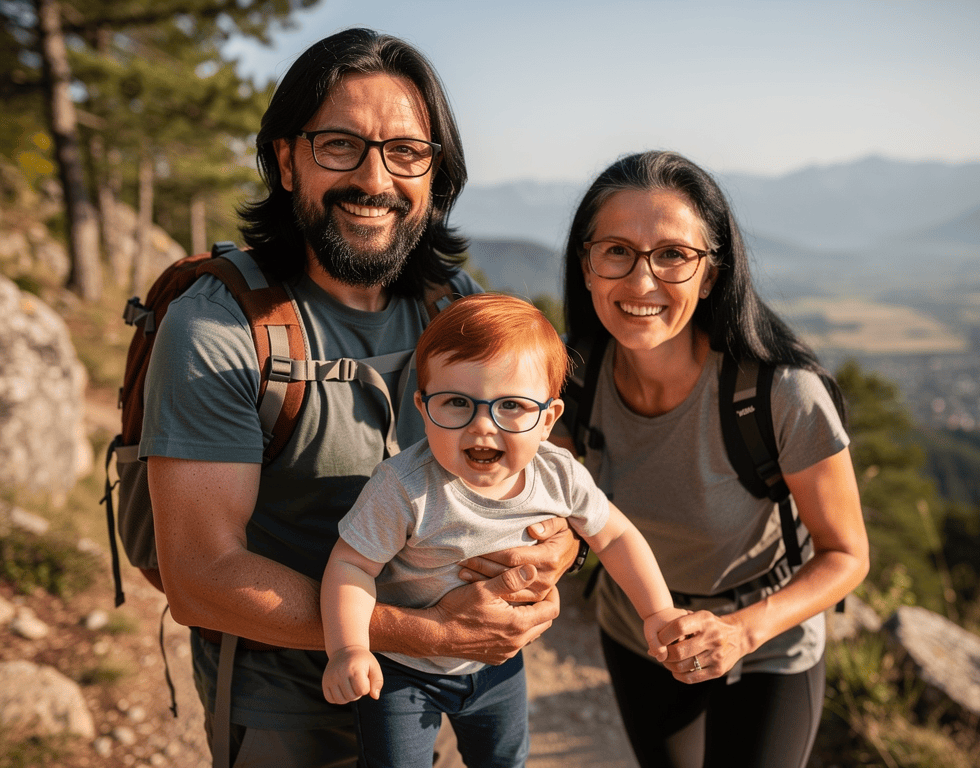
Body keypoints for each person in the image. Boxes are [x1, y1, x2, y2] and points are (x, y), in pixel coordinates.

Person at [140, 29, 579, 768]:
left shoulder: (455, 306)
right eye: (340, 145)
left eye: (406, 151)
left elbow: (532, 460)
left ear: (435, 174)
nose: (376, 178)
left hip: (431, 700)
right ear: (287, 160)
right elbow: (201, 577)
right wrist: (429, 633)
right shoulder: (219, 327)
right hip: (287, 714)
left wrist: (551, 551)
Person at [556, 150, 870, 768]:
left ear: (712, 272)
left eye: (672, 254)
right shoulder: (566, 380)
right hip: (641, 631)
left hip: (769, 643)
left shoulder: (779, 394)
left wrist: (742, 632)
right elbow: (560, 512)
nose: (641, 281)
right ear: (586, 265)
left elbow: (847, 555)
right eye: (616, 250)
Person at [319, 293, 688, 768]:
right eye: (455, 403)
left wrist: (657, 611)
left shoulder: (559, 476)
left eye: (511, 406)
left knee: (505, 759)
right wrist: (348, 647)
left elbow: (615, 536)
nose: (482, 427)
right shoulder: (405, 489)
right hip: (403, 669)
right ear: (422, 405)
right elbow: (350, 564)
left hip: (498, 662)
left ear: (548, 419)